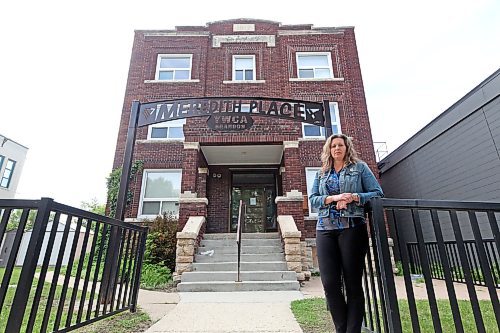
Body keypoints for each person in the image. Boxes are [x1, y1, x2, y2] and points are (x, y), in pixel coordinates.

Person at [309, 134, 383, 333]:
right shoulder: (321, 172)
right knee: (330, 284)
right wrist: (335, 198)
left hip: (352, 228)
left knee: (353, 284)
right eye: (333, 146)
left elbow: (377, 193)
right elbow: (313, 199)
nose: (337, 148)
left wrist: (353, 197)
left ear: (346, 147)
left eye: (340, 145)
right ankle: (341, 329)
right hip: (325, 229)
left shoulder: (360, 168)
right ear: (329, 149)